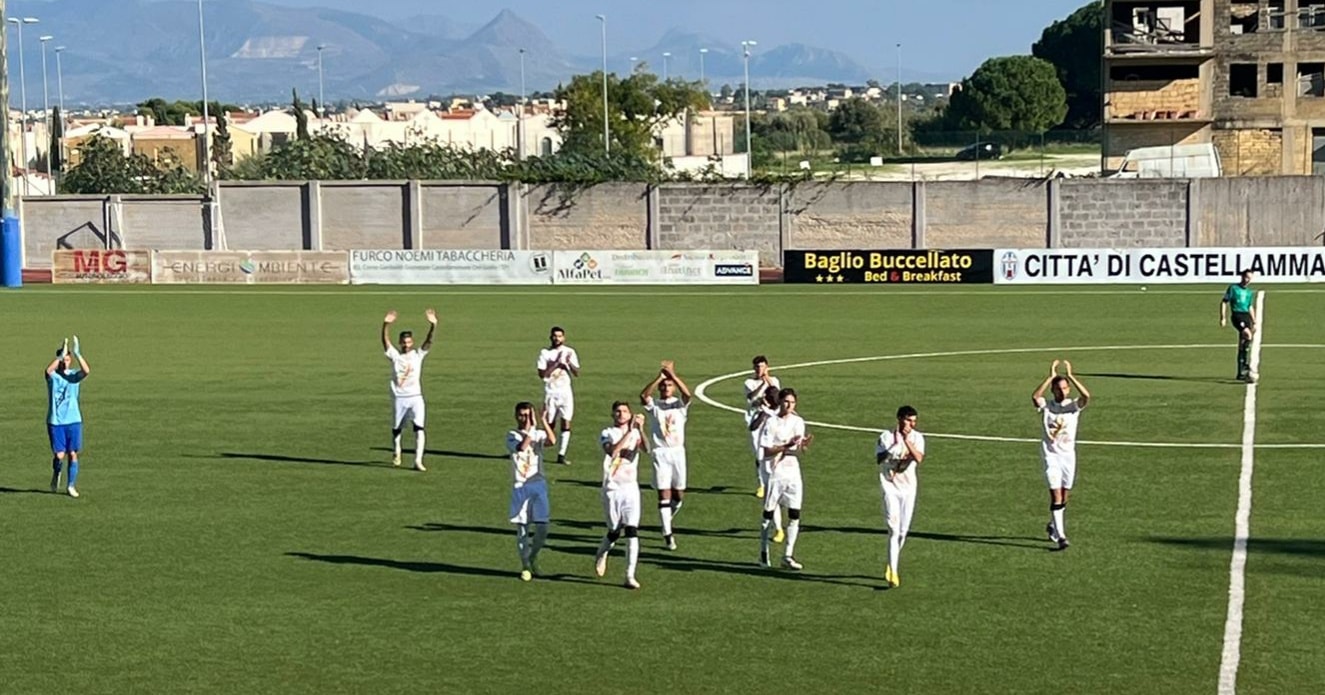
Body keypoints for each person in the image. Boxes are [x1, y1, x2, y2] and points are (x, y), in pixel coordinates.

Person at [1031, 360, 1091, 551]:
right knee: (1056, 495)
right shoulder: (1046, 406)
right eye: (1059, 388)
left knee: (1065, 496)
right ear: (1053, 390)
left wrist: (1071, 376)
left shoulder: (1072, 407)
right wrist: (1050, 376)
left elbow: (1086, 396)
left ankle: (1053, 525)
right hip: (1051, 457)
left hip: (1068, 457)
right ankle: (1062, 537)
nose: (1062, 392)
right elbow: (1035, 397)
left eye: (1065, 388)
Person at [594, 401, 648, 589]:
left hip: (630, 488)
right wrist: (629, 432)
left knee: (632, 530)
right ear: (613, 415)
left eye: (624, 411)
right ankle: (602, 553)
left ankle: (629, 575)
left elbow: (647, 449)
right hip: (612, 488)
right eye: (617, 411)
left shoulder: (635, 432)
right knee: (614, 531)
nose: (621, 414)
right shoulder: (607, 433)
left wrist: (640, 430)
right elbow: (612, 451)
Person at [757, 388, 812, 570]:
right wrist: (784, 446)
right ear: (780, 401)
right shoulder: (771, 422)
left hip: (793, 471)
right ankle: (763, 552)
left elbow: (797, 447)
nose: (789, 405)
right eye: (786, 401)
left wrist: (803, 445)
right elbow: (766, 450)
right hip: (776, 471)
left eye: (792, 402)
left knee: (795, 513)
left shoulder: (798, 421)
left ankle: (787, 555)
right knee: (769, 513)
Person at [640, 360, 692, 551]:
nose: (666, 387)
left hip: (678, 452)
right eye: (664, 385)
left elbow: (687, 395)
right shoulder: (656, 406)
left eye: (669, 385)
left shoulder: (679, 405)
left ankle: (666, 518)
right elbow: (644, 395)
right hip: (660, 453)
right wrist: (659, 377)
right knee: (663, 493)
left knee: (678, 495)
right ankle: (668, 533)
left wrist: (673, 375)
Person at [505, 402, 556, 582]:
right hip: (520, 486)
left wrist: (543, 421)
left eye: (528, 415)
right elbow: (522, 447)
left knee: (543, 527)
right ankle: (525, 565)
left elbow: (552, 441)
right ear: (516, 416)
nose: (525, 418)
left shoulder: (538, 433)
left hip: (538, 483)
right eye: (522, 415)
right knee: (522, 530)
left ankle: (533, 555)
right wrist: (532, 428)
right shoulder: (512, 435)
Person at [875, 405, 926, 588]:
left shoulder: (917, 438)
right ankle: (893, 572)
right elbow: (879, 459)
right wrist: (894, 447)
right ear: (899, 419)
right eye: (908, 420)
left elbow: (918, 458)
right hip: (890, 487)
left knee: (903, 531)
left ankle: (891, 562)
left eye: (914, 421)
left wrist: (906, 441)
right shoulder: (886, 436)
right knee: (893, 529)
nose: (911, 424)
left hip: (908, 489)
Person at [382, 309, 436, 471]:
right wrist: (385, 325)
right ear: (400, 343)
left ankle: (418, 461)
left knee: (419, 428)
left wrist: (433, 326)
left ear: (412, 343)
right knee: (397, 430)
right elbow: (385, 343)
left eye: (408, 342)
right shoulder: (395, 356)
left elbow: (428, 342)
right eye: (403, 342)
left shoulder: (417, 355)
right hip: (399, 398)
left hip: (416, 397)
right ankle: (397, 450)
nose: (406, 345)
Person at [46, 336, 90, 498]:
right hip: (56, 421)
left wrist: (78, 353)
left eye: (67, 359)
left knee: (72, 453)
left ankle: (71, 485)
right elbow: (47, 371)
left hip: (74, 421)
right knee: (59, 455)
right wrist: (58, 356)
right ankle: (56, 473)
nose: (65, 362)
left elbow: (86, 371)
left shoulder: (73, 376)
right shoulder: (53, 377)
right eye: (62, 359)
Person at [537, 326, 581, 465]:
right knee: (549, 423)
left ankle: (561, 454)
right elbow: (542, 374)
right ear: (551, 337)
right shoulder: (545, 353)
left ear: (564, 337)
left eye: (560, 336)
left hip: (566, 393)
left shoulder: (570, 352)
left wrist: (567, 363)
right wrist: (557, 363)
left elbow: (577, 372)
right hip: (551, 392)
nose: (557, 338)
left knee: (566, 421)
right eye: (555, 336)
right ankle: (538, 451)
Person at [743, 355, 780, 497]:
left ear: (767, 367)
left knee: (772, 449)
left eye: (762, 366)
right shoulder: (749, 382)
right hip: (755, 419)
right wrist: (762, 385)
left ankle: (773, 480)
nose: (760, 369)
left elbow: (776, 395)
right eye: (757, 367)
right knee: (759, 454)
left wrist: (767, 380)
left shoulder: (774, 380)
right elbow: (751, 397)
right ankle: (761, 484)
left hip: (771, 418)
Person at [1220, 269, 1258, 381]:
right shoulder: (1233, 288)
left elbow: (1250, 306)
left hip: (1246, 316)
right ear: (1242, 276)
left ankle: (1241, 372)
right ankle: (1245, 364)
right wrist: (1223, 317)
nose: (1248, 281)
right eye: (1246, 277)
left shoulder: (1249, 292)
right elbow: (1224, 302)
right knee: (1248, 335)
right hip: (1237, 315)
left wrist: (1254, 321)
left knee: (1242, 343)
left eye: (1250, 279)